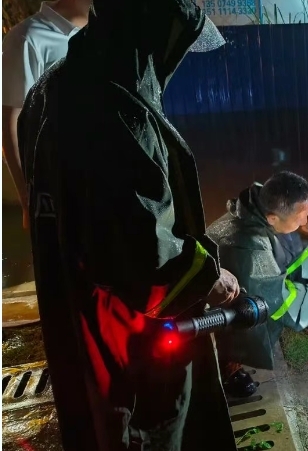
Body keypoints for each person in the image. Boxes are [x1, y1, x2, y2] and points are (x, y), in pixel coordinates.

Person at [17, 1, 241, 450]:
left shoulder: (52, 87)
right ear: (151, 33)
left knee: (97, 421)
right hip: (129, 343)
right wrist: (209, 278)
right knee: (146, 430)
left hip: (81, 322)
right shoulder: (117, 112)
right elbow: (145, 260)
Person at [207, 171, 308, 397]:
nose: (305, 222)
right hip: (217, 305)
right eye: (301, 216)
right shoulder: (248, 247)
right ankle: (227, 366)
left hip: (243, 284)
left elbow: (291, 258)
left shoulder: (262, 211)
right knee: (248, 315)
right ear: (273, 218)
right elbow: (278, 302)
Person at [2, 0, 90, 229]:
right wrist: (27, 199)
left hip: (107, 189)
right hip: (58, 193)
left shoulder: (105, 36)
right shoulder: (28, 38)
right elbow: (11, 122)